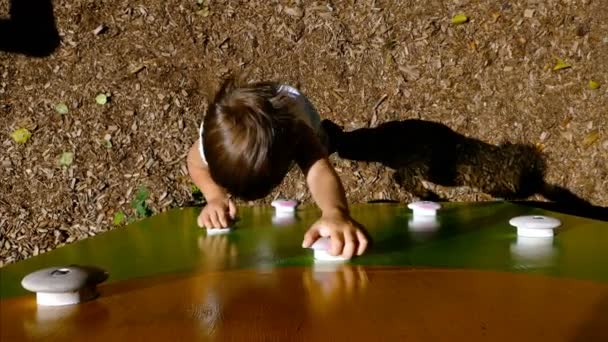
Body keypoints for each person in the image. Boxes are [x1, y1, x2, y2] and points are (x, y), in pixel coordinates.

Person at [187, 78, 368, 259]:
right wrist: (215, 197)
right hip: (275, 127)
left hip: (296, 114)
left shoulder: (296, 129)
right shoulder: (212, 140)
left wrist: (334, 212)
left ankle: (334, 138)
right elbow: (195, 164)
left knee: (321, 144)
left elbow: (318, 170)